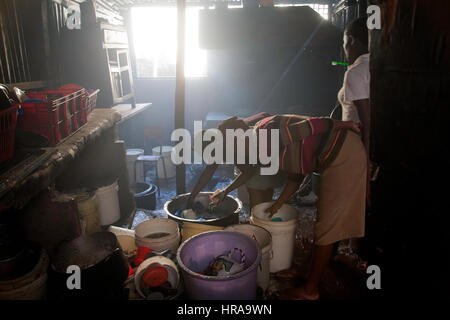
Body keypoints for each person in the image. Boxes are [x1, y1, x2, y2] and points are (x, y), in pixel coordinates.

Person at [188, 113, 366, 300]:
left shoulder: (268, 137)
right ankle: (304, 271)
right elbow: (295, 174)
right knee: (322, 222)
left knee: (327, 227)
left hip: (343, 152)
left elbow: (315, 124)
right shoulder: (252, 143)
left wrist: (346, 124)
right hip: (329, 153)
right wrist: (277, 204)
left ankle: (310, 290)